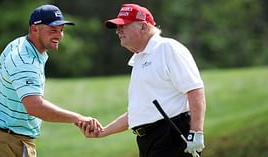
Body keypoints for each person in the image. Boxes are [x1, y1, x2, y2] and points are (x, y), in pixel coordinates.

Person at [77, 3, 206, 157]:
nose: (118, 31)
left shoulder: (167, 48)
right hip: (148, 140)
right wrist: (103, 132)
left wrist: (196, 132)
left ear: (143, 27)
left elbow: (195, 90)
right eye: (118, 27)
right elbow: (138, 112)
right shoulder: (139, 59)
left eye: (123, 26)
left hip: (172, 134)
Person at [0, 4, 101, 157]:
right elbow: (35, 107)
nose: (59, 35)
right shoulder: (25, 60)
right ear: (35, 29)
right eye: (53, 30)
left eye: (61, 30)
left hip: (8, 137)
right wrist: (78, 118)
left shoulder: (22, 44)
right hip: (10, 140)